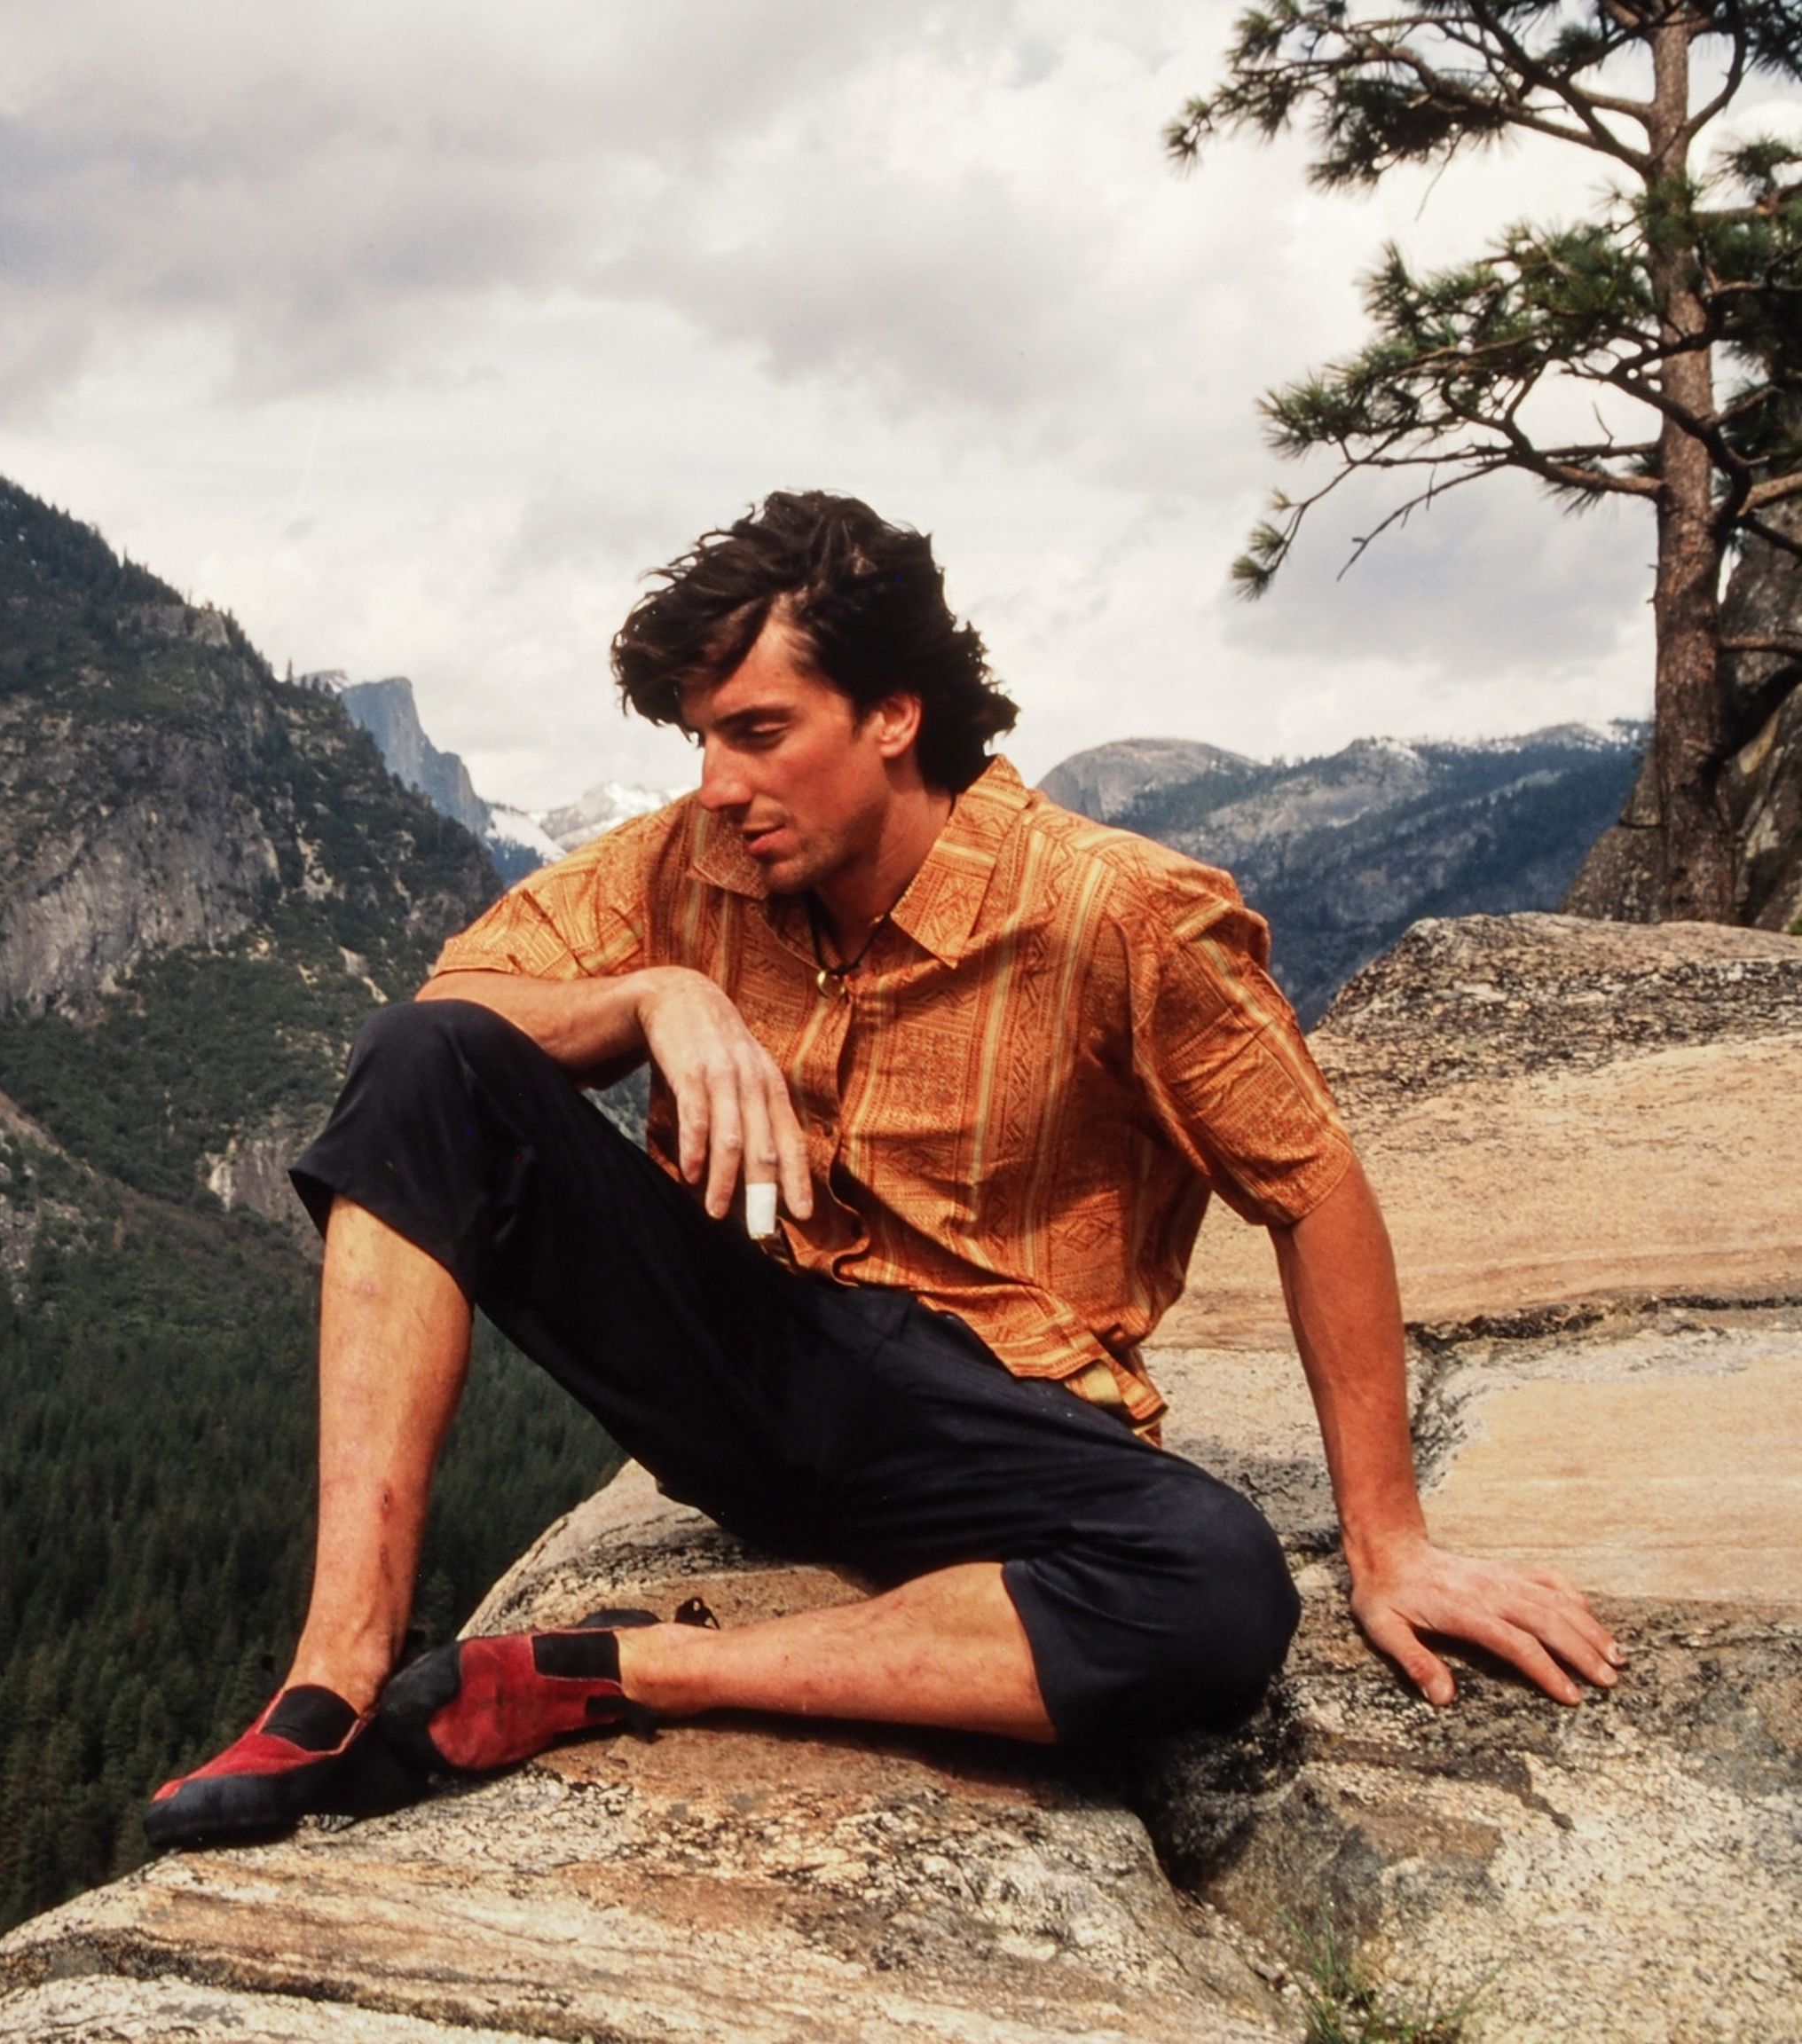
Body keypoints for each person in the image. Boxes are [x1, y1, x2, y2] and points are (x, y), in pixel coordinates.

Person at [144, 489, 1624, 1849]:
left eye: (760, 732)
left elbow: (1311, 1188)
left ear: (897, 715)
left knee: (1216, 1595)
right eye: (699, 741)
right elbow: (454, 1017)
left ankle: (634, 1673)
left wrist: (1391, 1544)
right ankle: (332, 1684)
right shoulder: (684, 867)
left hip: (983, 1419)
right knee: (423, 1064)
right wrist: (650, 996)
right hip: (746, 1357)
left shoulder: (1112, 913)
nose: (718, 784)